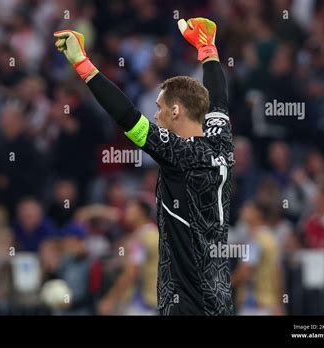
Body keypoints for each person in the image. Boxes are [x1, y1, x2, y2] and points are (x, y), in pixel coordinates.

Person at [54, 17, 234, 315]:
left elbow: (125, 115)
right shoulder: (221, 141)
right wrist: (207, 49)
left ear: (176, 111)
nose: (156, 114)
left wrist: (81, 63)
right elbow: (219, 102)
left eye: (160, 108)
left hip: (185, 304)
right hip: (218, 301)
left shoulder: (180, 153)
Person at [97, 198, 158, 315]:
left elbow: (131, 272)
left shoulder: (143, 237)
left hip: (143, 305)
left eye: (131, 208)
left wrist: (110, 300)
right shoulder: (151, 233)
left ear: (142, 212)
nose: (126, 211)